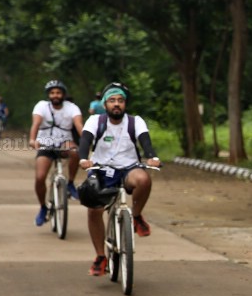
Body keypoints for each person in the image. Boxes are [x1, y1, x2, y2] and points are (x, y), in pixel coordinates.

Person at [77, 82, 161, 276]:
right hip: (101, 169)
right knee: (94, 211)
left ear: (125, 104)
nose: (117, 104)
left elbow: (145, 141)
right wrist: (83, 159)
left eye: (120, 101)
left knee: (144, 180)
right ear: (105, 104)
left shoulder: (135, 121)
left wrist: (152, 157)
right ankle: (100, 257)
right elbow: (85, 140)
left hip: (129, 168)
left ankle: (137, 216)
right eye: (112, 100)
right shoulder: (95, 121)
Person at [29, 80, 83, 226]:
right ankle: (43, 207)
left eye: (58, 92)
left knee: (75, 152)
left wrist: (86, 140)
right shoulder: (41, 106)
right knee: (40, 177)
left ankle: (70, 183)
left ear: (63, 95)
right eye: (52, 93)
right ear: (48, 95)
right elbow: (36, 123)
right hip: (45, 143)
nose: (55, 95)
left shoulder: (72, 108)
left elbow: (79, 126)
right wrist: (33, 139)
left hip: (64, 142)